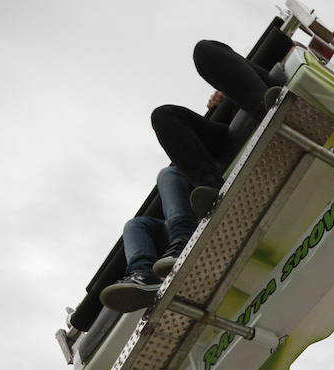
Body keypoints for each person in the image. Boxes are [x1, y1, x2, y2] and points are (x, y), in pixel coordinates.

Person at [151, 40, 282, 213]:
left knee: (203, 50)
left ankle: (270, 109)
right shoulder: (226, 102)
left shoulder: (265, 68)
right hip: (236, 135)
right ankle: (216, 192)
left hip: (268, 99)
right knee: (162, 115)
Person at [99, 165, 198, 312]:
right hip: (174, 224)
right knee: (134, 224)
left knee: (167, 173)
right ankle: (143, 275)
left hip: (191, 214)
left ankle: (183, 237)